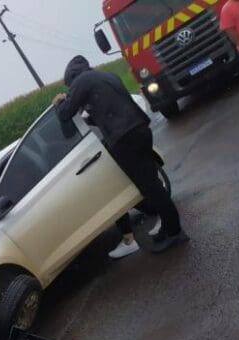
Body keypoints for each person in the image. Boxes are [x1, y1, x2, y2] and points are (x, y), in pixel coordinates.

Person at [52, 55, 188, 255]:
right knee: (152, 184)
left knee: (151, 188)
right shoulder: (105, 76)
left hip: (125, 139)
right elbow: (107, 112)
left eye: (70, 85)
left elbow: (65, 114)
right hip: (140, 130)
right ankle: (169, 228)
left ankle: (175, 232)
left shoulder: (81, 81)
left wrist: (59, 102)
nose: (72, 88)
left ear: (72, 77)